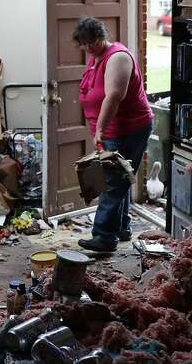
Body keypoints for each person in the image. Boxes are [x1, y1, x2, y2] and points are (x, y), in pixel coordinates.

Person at [73, 17, 153, 252]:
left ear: (99, 38)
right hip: (111, 129)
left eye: (88, 43)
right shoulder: (95, 58)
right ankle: (122, 227)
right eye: (82, 44)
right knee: (121, 176)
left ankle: (105, 236)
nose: (85, 48)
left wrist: (99, 129)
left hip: (128, 128)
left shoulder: (118, 57)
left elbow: (114, 96)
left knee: (112, 182)